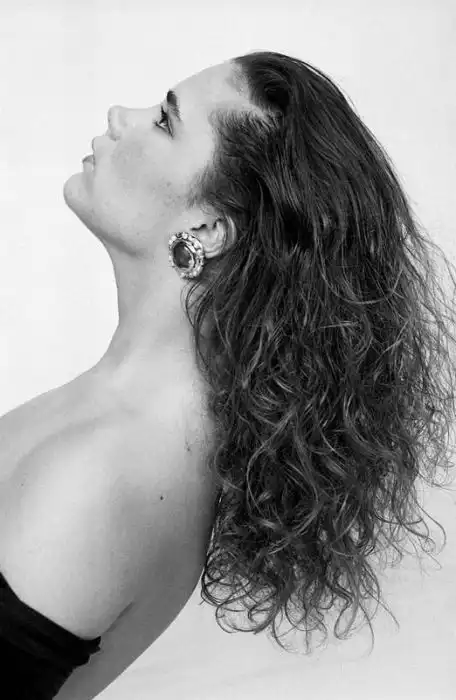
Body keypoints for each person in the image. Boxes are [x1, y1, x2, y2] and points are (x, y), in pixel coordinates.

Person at [1, 49, 456, 698]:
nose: (120, 115)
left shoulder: (105, 473)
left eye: (165, 121)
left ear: (210, 228)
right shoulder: (115, 419)